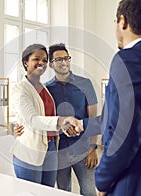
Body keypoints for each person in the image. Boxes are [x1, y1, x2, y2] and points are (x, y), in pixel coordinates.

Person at [64, 0, 141, 195]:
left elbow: (124, 134)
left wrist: (102, 180)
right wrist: (82, 124)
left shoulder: (128, 59)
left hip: (138, 183)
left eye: (115, 21)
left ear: (122, 21)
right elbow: (117, 119)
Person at [15, 43, 99, 196]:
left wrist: (93, 148)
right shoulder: (47, 88)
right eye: (58, 59)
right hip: (58, 150)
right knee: (62, 191)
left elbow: (93, 118)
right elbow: (35, 116)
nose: (64, 62)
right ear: (52, 65)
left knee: (89, 192)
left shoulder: (85, 84)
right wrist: (20, 126)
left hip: (82, 149)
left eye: (66, 58)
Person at [11, 43, 79, 187]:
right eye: (36, 59)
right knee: (32, 192)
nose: (41, 63)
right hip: (30, 150)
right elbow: (31, 119)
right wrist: (61, 121)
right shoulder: (20, 89)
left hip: (51, 146)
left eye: (44, 60)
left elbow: (46, 115)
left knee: (48, 191)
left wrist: (62, 127)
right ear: (25, 62)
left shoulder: (44, 88)